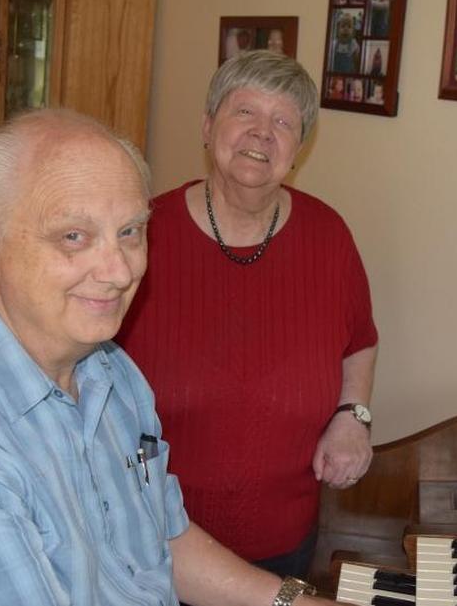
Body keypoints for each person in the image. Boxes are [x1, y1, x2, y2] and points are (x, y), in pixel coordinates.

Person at [0, 108, 338, 606]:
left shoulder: (108, 368)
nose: (119, 271)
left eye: (130, 232)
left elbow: (161, 542)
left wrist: (290, 600)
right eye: (73, 236)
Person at [116, 50, 379, 580]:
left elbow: (360, 339)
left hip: (286, 543)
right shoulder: (142, 234)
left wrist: (354, 416)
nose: (263, 133)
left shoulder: (329, 237)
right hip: (153, 544)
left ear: (297, 149)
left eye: (283, 122)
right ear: (209, 126)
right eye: (245, 113)